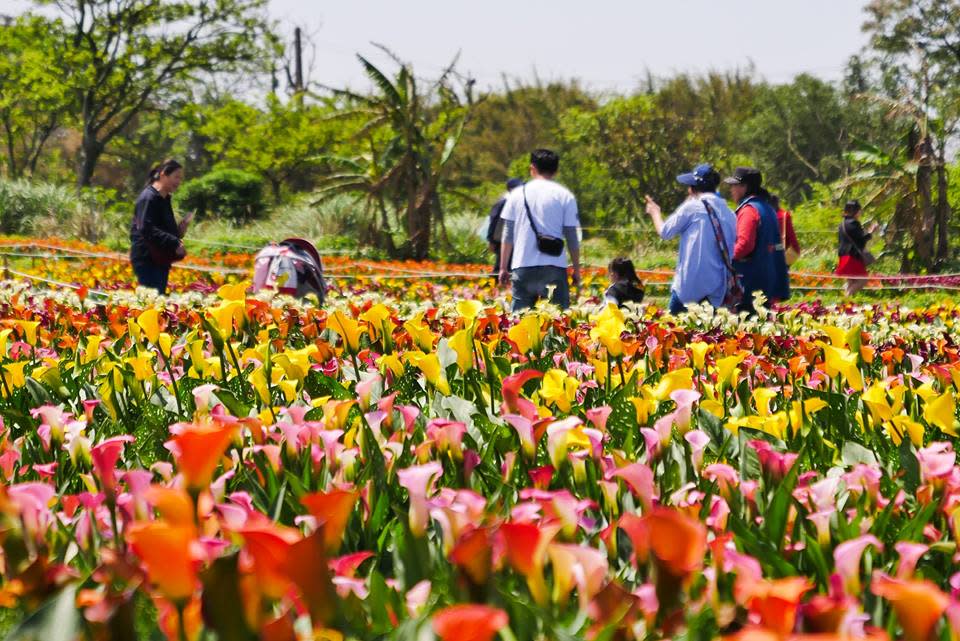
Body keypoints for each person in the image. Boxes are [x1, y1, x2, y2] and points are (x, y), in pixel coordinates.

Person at [644, 163, 736, 314]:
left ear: (693, 188)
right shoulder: (729, 213)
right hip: (717, 290)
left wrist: (655, 212)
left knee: (673, 332)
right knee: (710, 335)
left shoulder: (692, 207)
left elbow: (665, 232)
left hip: (689, 288)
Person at [498, 149, 581, 311]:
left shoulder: (517, 194)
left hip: (522, 265)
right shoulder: (565, 195)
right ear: (556, 170)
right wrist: (576, 269)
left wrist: (502, 268)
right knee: (557, 322)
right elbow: (572, 236)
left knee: (519, 322)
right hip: (554, 266)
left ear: (532, 168)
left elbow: (507, 234)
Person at [724, 167, 789, 313]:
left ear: (744, 187)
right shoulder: (767, 208)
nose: (731, 189)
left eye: (734, 185)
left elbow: (744, 246)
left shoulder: (748, 210)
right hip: (767, 281)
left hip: (749, 284)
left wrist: (723, 258)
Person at [130, 159, 192, 294]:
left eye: (180, 178)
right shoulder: (149, 197)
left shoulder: (164, 199)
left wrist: (180, 231)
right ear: (163, 175)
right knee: (150, 304)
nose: (178, 181)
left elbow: (164, 231)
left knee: (158, 303)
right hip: (147, 259)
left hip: (160, 259)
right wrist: (174, 241)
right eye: (176, 177)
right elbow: (146, 229)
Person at [836, 199, 878, 297]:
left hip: (843, 255)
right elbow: (861, 240)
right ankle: (847, 297)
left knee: (851, 281)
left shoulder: (842, 224)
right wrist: (871, 231)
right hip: (852, 256)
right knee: (863, 279)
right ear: (856, 211)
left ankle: (846, 303)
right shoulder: (854, 223)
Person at [486, 177, 524, 278]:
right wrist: (491, 241)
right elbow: (493, 222)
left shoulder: (519, 202)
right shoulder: (503, 202)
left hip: (516, 240)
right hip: (501, 240)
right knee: (501, 266)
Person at [771, 194, 801, 266]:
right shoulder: (784, 215)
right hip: (782, 250)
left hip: (771, 253)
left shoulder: (765, 216)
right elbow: (791, 238)